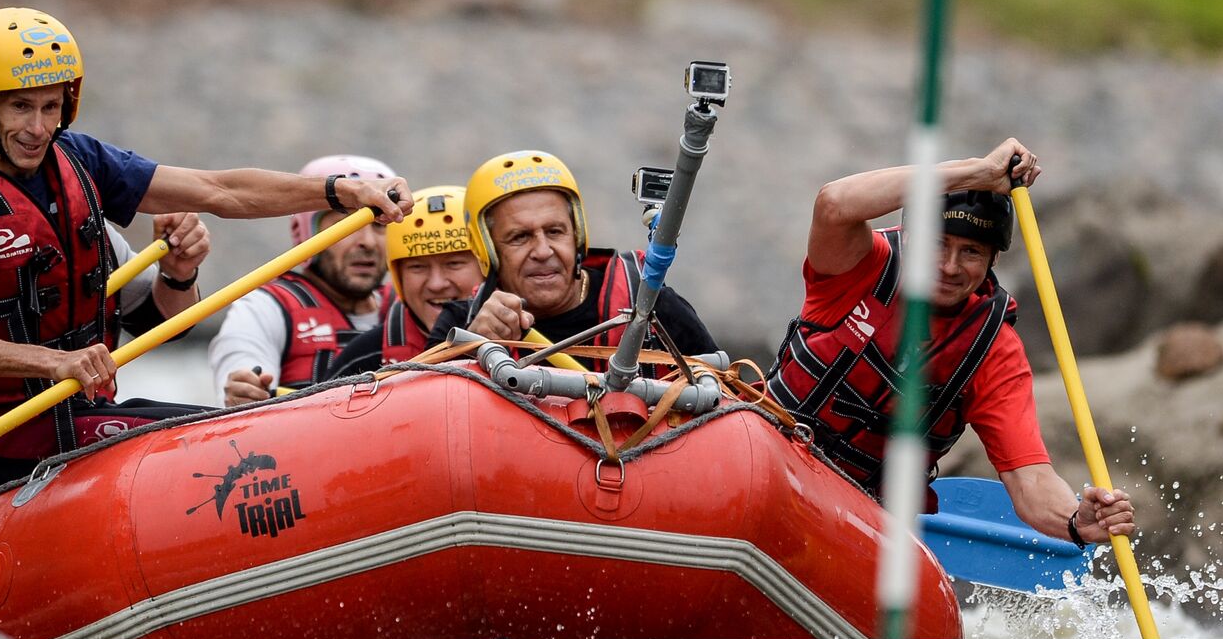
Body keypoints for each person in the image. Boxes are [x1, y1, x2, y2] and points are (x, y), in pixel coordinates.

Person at [0, 7, 410, 492]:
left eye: (51, 106)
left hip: (80, 414)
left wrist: (342, 191)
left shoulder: (76, 156)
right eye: (21, 107)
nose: (38, 128)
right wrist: (54, 362)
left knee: (231, 428)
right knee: (230, 441)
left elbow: (219, 191)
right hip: (6, 438)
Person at [764, 138, 1134, 546]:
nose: (950, 266)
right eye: (937, 243)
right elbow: (834, 203)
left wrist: (1074, 521)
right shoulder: (861, 266)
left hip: (857, 512)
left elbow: (1028, 477)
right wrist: (979, 172)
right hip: (768, 454)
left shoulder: (993, 350)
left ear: (993, 260)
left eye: (971, 251)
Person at [428, 150, 716, 370]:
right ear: (486, 250)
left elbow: (729, 398)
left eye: (555, 232)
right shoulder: (460, 325)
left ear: (577, 236)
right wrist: (470, 350)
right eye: (520, 237)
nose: (543, 251)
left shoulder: (654, 307)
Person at [208, 155, 399, 405]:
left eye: (380, 226)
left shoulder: (410, 305)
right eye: (348, 224)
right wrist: (243, 390)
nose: (368, 242)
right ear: (305, 232)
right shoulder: (265, 309)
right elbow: (241, 372)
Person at [329, 185, 487, 377]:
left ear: (486, 267)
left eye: (454, 264)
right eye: (417, 267)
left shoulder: (519, 338)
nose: (436, 284)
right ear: (398, 277)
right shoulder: (361, 361)